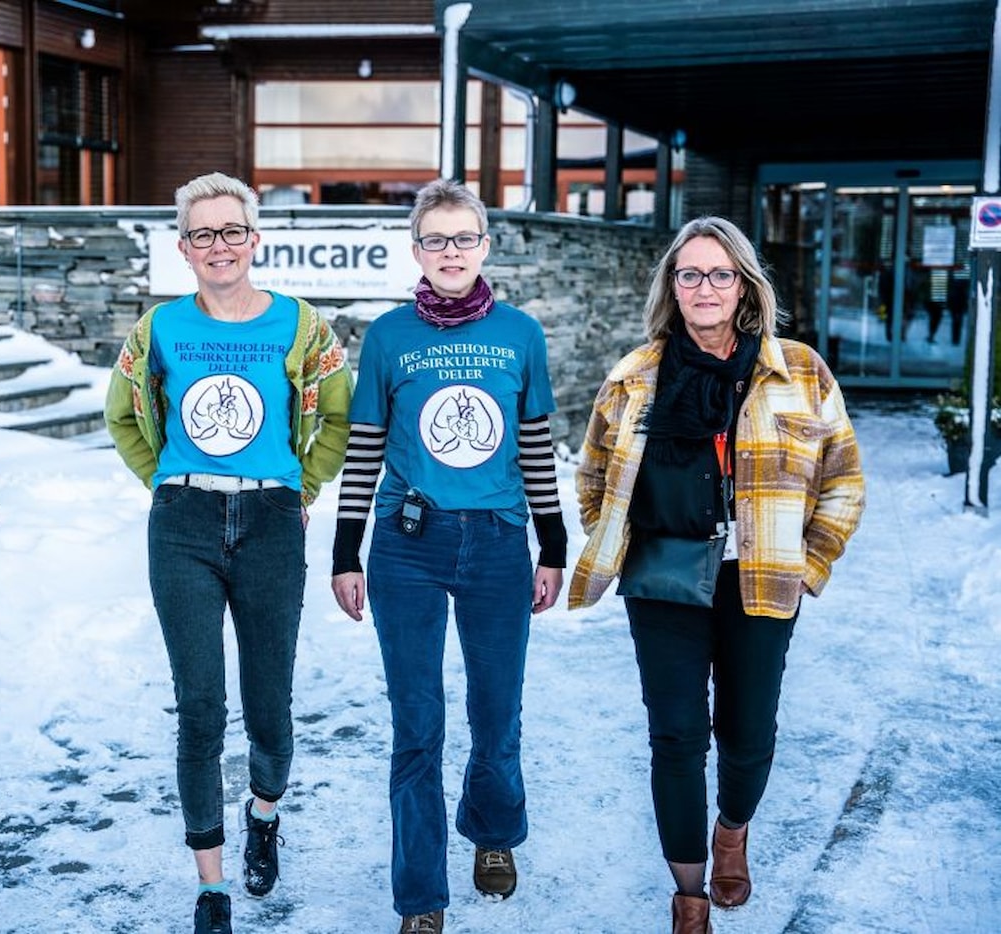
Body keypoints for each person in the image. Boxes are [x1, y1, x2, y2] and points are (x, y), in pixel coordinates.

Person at [568, 216, 865, 934]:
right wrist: (615, 540)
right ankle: (690, 889)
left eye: (720, 274)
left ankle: (732, 830)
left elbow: (844, 482)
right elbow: (593, 477)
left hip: (760, 577)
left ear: (745, 287)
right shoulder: (634, 376)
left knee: (748, 733)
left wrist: (807, 563)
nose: (705, 287)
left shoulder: (798, 371)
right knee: (674, 735)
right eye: (690, 274)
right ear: (672, 287)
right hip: (664, 577)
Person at [104, 171, 352, 934]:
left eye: (232, 231)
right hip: (182, 522)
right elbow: (122, 416)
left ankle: (265, 812)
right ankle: (211, 885)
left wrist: (299, 489)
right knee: (201, 707)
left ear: (255, 238)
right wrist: (168, 484)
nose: (220, 245)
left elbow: (337, 416)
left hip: (272, 521)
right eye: (203, 234)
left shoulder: (301, 325)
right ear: (184, 247)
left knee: (269, 701)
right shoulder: (159, 329)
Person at [330, 179, 568, 934]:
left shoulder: (520, 335)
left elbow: (534, 448)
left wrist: (553, 543)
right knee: (417, 722)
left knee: (496, 710)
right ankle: (420, 895)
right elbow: (364, 450)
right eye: (435, 239)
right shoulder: (389, 336)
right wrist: (345, 551)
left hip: (498, 541)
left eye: (464, 238)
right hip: (408, 546)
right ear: (416, 250)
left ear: (485, 246)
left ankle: (493, 833)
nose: (450, 252)